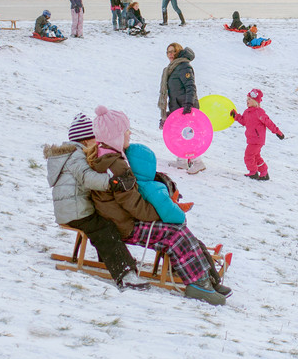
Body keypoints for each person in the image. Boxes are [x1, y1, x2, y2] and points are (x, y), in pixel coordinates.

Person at [85, 105, 229, 304]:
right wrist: (159, 215)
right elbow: (132, 203)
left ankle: (206, 279)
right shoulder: (115, 164)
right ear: (115, 135)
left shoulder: (110, 157)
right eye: (126, 130)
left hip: (121, 219)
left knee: (176, 228)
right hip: (125, 225)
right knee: (175, 232)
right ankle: (198, 284)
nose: (129, 133)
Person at [45, 113, 149, 292]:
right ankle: (125, 274)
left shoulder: (70, 153)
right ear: (86, 141)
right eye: (95, 139)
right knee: (104, 231)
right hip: (76, 212)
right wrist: (111, 182)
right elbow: (87, 178)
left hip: (70, 209)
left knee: (106, 222)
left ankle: (111, 259)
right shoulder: (76, 155)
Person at [158, 43, 204, 173]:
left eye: (173, 51)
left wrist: (188, 105)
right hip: (177, 106)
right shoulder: (173, 68)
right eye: (168, 52)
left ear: (178, 52)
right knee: (179, 133)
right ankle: (182, 161)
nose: (170, 55)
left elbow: (190, 87)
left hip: (186, 107)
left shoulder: (184, 66)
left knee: (189, 135)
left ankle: (198, 162)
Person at [229, 88, 284, 180]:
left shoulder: (259, 112)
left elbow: (269, 123)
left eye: (250, 99)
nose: (247, 101)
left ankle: (253, 172)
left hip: (257, 139)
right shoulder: (247, 112)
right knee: (256, 156)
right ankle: (264, 173)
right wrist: (236, 116)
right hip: (252, 139)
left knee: (249, 155)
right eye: (247, 99)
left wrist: (278, 132)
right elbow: (243, 121)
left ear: (255, 101)